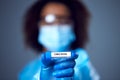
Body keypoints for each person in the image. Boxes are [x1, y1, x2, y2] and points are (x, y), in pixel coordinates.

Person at [19, 0, 100, 80]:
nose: (56, 27)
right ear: (37, 26)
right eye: (49, 19)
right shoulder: (27, 72)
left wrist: (76, 76)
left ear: (74, 27)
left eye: (64, 21)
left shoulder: (82, 62)